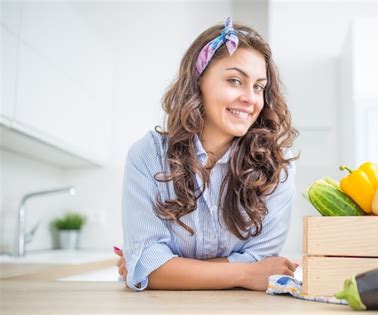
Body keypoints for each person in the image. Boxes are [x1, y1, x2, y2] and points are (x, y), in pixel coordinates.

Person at [115, 17, 299, 292]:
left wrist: (170, 269)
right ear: (198, 81)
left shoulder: (276, 167)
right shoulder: (148, 155)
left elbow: (261, 260)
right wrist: (245, 274)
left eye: (259, 86)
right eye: (235, 81)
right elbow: (150, 267)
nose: (250, 98)